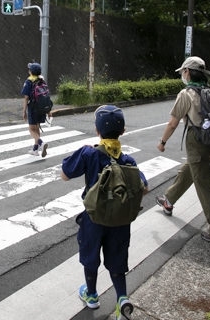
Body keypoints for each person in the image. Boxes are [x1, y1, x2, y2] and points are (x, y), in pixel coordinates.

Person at [61, 105, 148, 320]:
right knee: (117, 260)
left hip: (94, 219)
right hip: (119, 222)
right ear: (123, 131)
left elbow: (64, 174)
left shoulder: (89, 153)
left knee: (91, 256)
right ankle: (122, 299)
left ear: (97, 131)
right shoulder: (128, 161)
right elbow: (144, 188)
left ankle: (91, 296)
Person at [155, 56, 210, 245]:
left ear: (188, 72)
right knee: (191, 167)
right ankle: (169, 199)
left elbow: (173, 123)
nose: (182, 75)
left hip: (196, 141)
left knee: (204, 186)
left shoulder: (187, 94)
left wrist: (162, 141)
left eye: (183, 72)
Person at [21, 62, 48, 157]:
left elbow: (26, 98)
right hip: (41, 108)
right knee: (37, 128)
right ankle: (35, 150)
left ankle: (41, 143)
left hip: (33, 107)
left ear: (30, 72)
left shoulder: (28, 82)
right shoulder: (42, 81)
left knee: (31, 130)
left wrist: (24, 111)